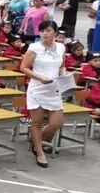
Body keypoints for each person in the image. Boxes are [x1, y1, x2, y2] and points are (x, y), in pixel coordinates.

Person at [20, 20, 67, 168]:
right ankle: (39, 151)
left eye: (48, 30)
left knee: (57, 122)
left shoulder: (61, 47)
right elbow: (24, 67)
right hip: (38, 89)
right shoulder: (34, 48)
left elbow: (62, 65)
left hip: (54, 89)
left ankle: (36, 141)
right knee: (37, 122)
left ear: (55, 32)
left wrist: (64, 74)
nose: (44, 33)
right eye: (42, 31)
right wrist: (40, 78)